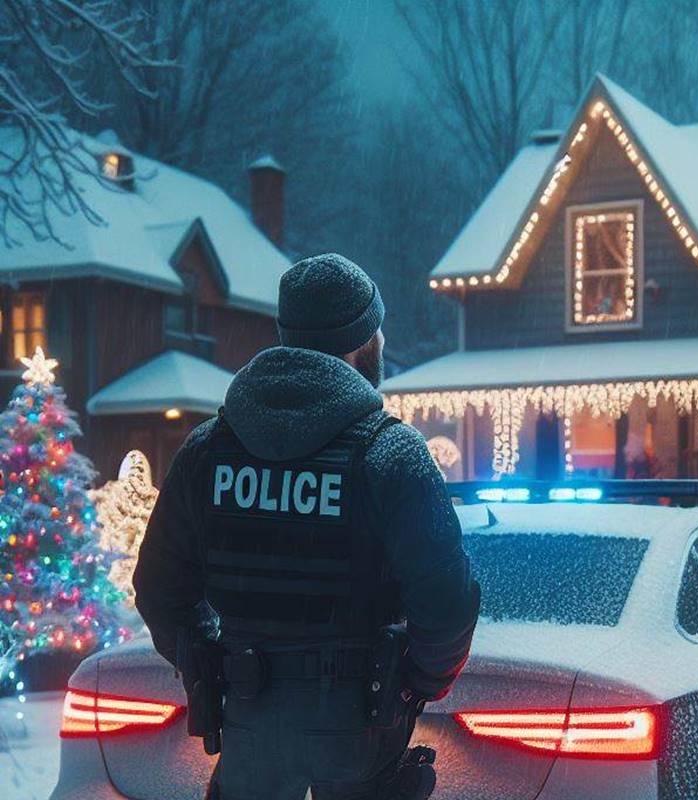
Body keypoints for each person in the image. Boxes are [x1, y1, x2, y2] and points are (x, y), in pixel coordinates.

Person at [133, 254, 480, 799]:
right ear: (365, 344)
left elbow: (159, 591)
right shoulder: (389, 455)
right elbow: (448, 605)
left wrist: (210, 659)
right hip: (362, 744)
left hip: (248, 735)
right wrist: (410, 686)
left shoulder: (208, 452)